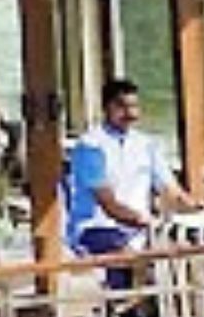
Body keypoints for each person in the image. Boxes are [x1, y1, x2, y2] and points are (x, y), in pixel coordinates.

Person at [67, 78, 195, 269]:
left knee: (190, 249)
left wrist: (195, 206)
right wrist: (142, 220)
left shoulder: (147, 144)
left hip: (141, 227)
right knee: (130, 259)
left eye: (134, 107)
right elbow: (108, 205)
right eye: (122, 107)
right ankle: (128, 288)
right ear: (106, 108)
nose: (130, 114)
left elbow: (170, 190)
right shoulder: (90, 146)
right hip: (97, 227)